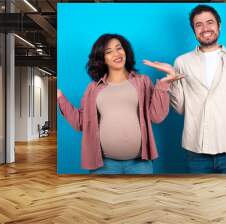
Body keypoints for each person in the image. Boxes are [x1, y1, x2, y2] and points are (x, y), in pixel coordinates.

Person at [144, 5, 226, 173]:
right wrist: (172, 77)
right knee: (198, 199)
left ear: (219, 25)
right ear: (194, 30)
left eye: (210, 22)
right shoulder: (182, 62)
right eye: (199, 24)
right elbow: (181, 108)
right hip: (195, 151)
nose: (205, 28)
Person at [57, 34, 182, 174]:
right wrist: (60, 98)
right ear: (102, 58)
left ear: (125, 51)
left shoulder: (143, 82)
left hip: (140, 163)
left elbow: (156, 117)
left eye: (119, 48)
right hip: (103, 165)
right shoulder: (93, 88)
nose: (116, 54)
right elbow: (81, 123)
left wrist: (164, 84)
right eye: (108, 52)